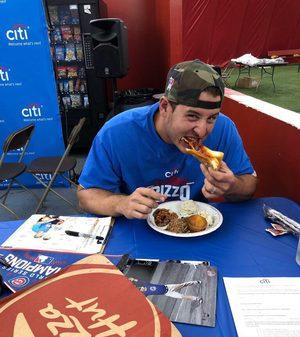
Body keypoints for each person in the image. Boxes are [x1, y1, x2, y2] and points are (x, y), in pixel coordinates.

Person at [78, 59, 257, 219]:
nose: (202, 131)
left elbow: (249, 183)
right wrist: (121, 204)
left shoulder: (224, 128)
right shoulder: (116, 132)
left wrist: (232, 185)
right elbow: (85, 195)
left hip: (195, 230)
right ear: (164, 107)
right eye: (192, 116)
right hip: (135, 230)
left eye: (211, 118)